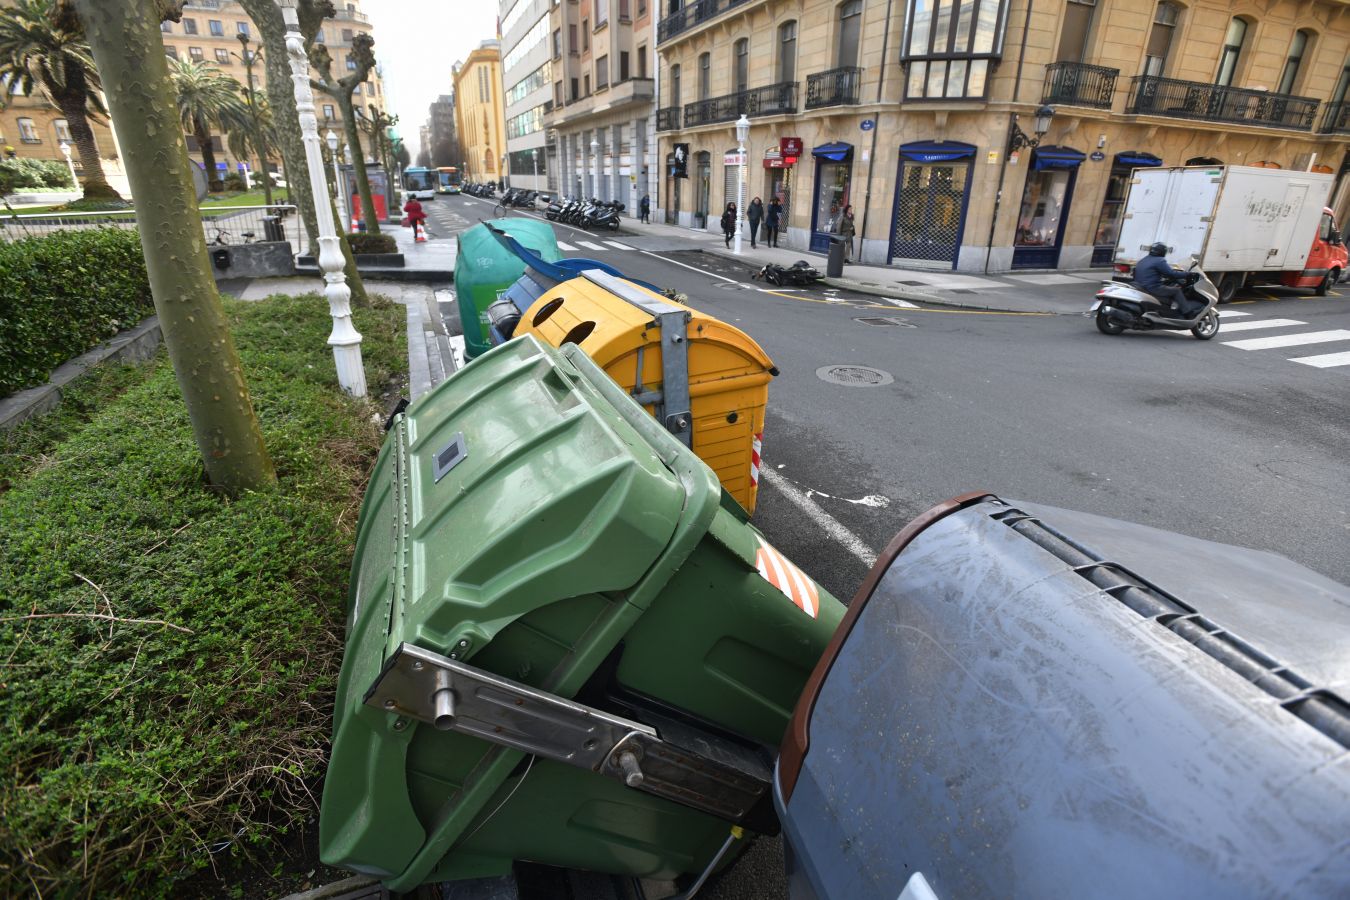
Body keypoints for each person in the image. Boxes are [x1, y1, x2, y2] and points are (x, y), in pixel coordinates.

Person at [1134, 242, 1195, 317]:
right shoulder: (1159, 260)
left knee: (1168, 286)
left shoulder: (1144, 259)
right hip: (1152, 288)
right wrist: (1187, 274)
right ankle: (1188, 313)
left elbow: (1158, 272)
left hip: (1141, 286)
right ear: (1162, 251)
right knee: (1176, 291)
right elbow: (1171, 273)